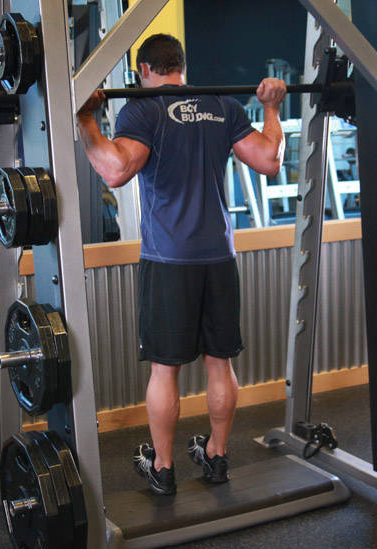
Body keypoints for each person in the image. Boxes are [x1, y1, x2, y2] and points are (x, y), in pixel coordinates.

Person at [76, 33, 286, 495]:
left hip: (169, 258)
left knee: (164, 369)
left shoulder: (143, 109)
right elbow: (270, 160)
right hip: (219, 256)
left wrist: (85, 119)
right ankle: (216, 457)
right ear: (181, 66)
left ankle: (164, 467)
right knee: (219, 364)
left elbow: (115, 169)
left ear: (144, 70)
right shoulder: (221, 105)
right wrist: (271, 108)